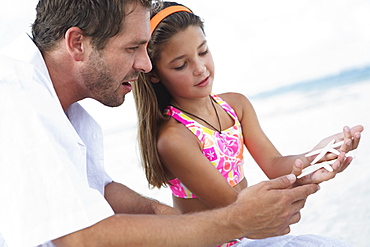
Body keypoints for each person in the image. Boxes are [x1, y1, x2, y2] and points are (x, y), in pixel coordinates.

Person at [0, 0, 353, 246]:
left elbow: (101, 190)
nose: (145, 64)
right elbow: (78, 236)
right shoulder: (16, 101)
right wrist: (236, 221)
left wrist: (160, 212)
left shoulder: (68, 111)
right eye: (132, 48)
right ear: (77, 43)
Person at [133, 1, 364, 246]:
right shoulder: (174, 138)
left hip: (247, 234)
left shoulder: (236, 106)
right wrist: (298, 190)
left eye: (203, 52)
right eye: (181, 65)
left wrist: (318, 154)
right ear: (154, 73)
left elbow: (275, 165)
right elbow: (236, 209)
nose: (200, 69)